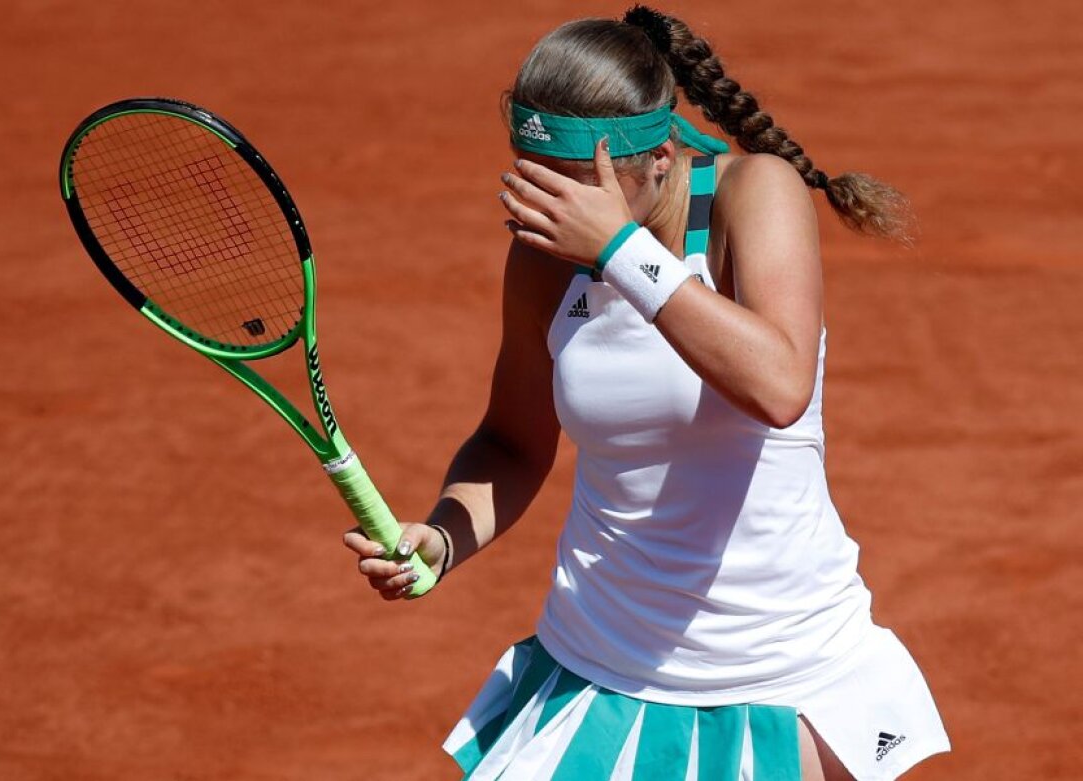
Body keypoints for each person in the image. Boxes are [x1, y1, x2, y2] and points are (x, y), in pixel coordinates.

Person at [343, 6, 949, 779]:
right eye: (536, 182)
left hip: (779, 676)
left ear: (662, 157)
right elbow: (513, 439)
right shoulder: (546, 251)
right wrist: (443, 535)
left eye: (576, 186)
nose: (547, 209)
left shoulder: (753, 195)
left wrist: (620, 251)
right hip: (595, 667)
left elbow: (779, 383)